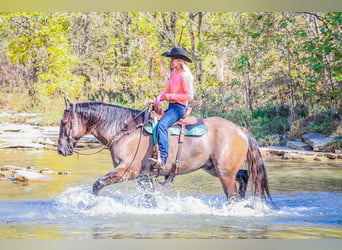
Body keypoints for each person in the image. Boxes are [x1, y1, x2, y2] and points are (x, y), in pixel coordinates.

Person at [149, 47, 194, 170]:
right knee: (152, 121)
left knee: (162, 125)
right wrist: (155, 100)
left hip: (179, 107)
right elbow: (166, 93)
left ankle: (163, 159)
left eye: (172, 60)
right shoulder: (173, 74)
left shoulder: (184, 76)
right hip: (171, 106)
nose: (170, 62)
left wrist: (172, 96)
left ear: (179, 61)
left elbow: (189, 96)